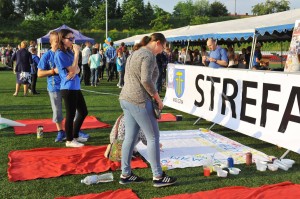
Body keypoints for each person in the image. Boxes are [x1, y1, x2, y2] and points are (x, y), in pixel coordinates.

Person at [119, 33, 177, 187]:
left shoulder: (135, 53)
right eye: (163, 47)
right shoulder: (148, 56)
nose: (163, 50)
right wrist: (158, 99)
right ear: (157, 43)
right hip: (139, 100)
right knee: (153, 137)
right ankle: (158, 176)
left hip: (126, 98)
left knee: (130, 138)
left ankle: (125, 174)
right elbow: (146, 80)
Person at [54, 29, 88, 147]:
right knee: (71, 114)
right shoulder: (60, 54)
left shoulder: (69, 52)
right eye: (70, 38)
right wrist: (77, 54)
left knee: (83, 111)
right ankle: (69, 140)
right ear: (62, 39)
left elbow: (76, 70)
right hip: (68, 88)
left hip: (75, 86)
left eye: (73, 38)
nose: (73, 41)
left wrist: (74, 68)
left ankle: (75, 134)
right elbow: (73, 70)